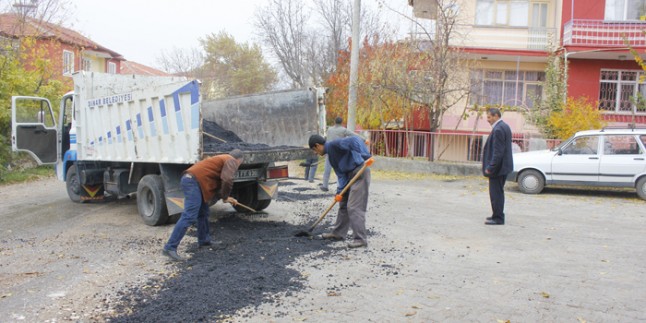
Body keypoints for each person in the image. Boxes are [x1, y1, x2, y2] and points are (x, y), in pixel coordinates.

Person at [162, 149, 244, 261]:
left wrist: (224, 196)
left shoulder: (223, 158)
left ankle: (204, 241)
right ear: (239, 160)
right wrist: (225, 197)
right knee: (189, 216)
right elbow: (227, 179)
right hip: (192, 182)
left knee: (203, 213)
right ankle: (170, 248)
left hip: (195, 182)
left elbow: (218, 181)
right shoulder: (231, 160)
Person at [309, 134, 371, 248]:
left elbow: (354, 139)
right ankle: (338, 233)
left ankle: (360, 239)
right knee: (343, 203)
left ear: (317, 145)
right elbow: (340, 174)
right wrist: (339, 191)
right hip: (348, 175)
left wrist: (365, 155)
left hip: (359, 172)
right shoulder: (331, 156)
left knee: (353, 206)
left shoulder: (334, 144)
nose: (315, 153)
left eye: (314, 150)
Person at [482, 108, 513, 225]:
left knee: (496, 194)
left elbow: (498, 152)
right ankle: (497, 215)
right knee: (498, 193)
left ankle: (498, 218)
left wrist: (490, 167)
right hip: (503, 167)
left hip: (498, 169)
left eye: (489, 117)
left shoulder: (499, 129)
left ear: (496, 116)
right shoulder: (504, 126)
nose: (488, 120)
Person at [320, 116, 362, 192]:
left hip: (329, 151)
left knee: (327, 169)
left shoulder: (329, 129)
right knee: (340, 170)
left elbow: (326, 139)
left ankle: (325, 186)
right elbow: (354, 135)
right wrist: (364, 139)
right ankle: (340, 187)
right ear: (341, 122)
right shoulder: (343, 130)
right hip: (339, 154)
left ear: (334, 121)